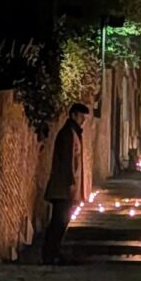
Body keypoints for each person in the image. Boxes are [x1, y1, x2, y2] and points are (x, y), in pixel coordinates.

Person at [40, 102, 90, 264]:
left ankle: (53, 252)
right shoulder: (68, 133)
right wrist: (71, 186)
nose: (83, 120)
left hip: (65, 188)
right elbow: (68, 162)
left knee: (61, 221)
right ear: (74, 115)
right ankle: (50, 254)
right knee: (58, 221)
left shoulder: (72, 132)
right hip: (64, 188)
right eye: (82, 116)